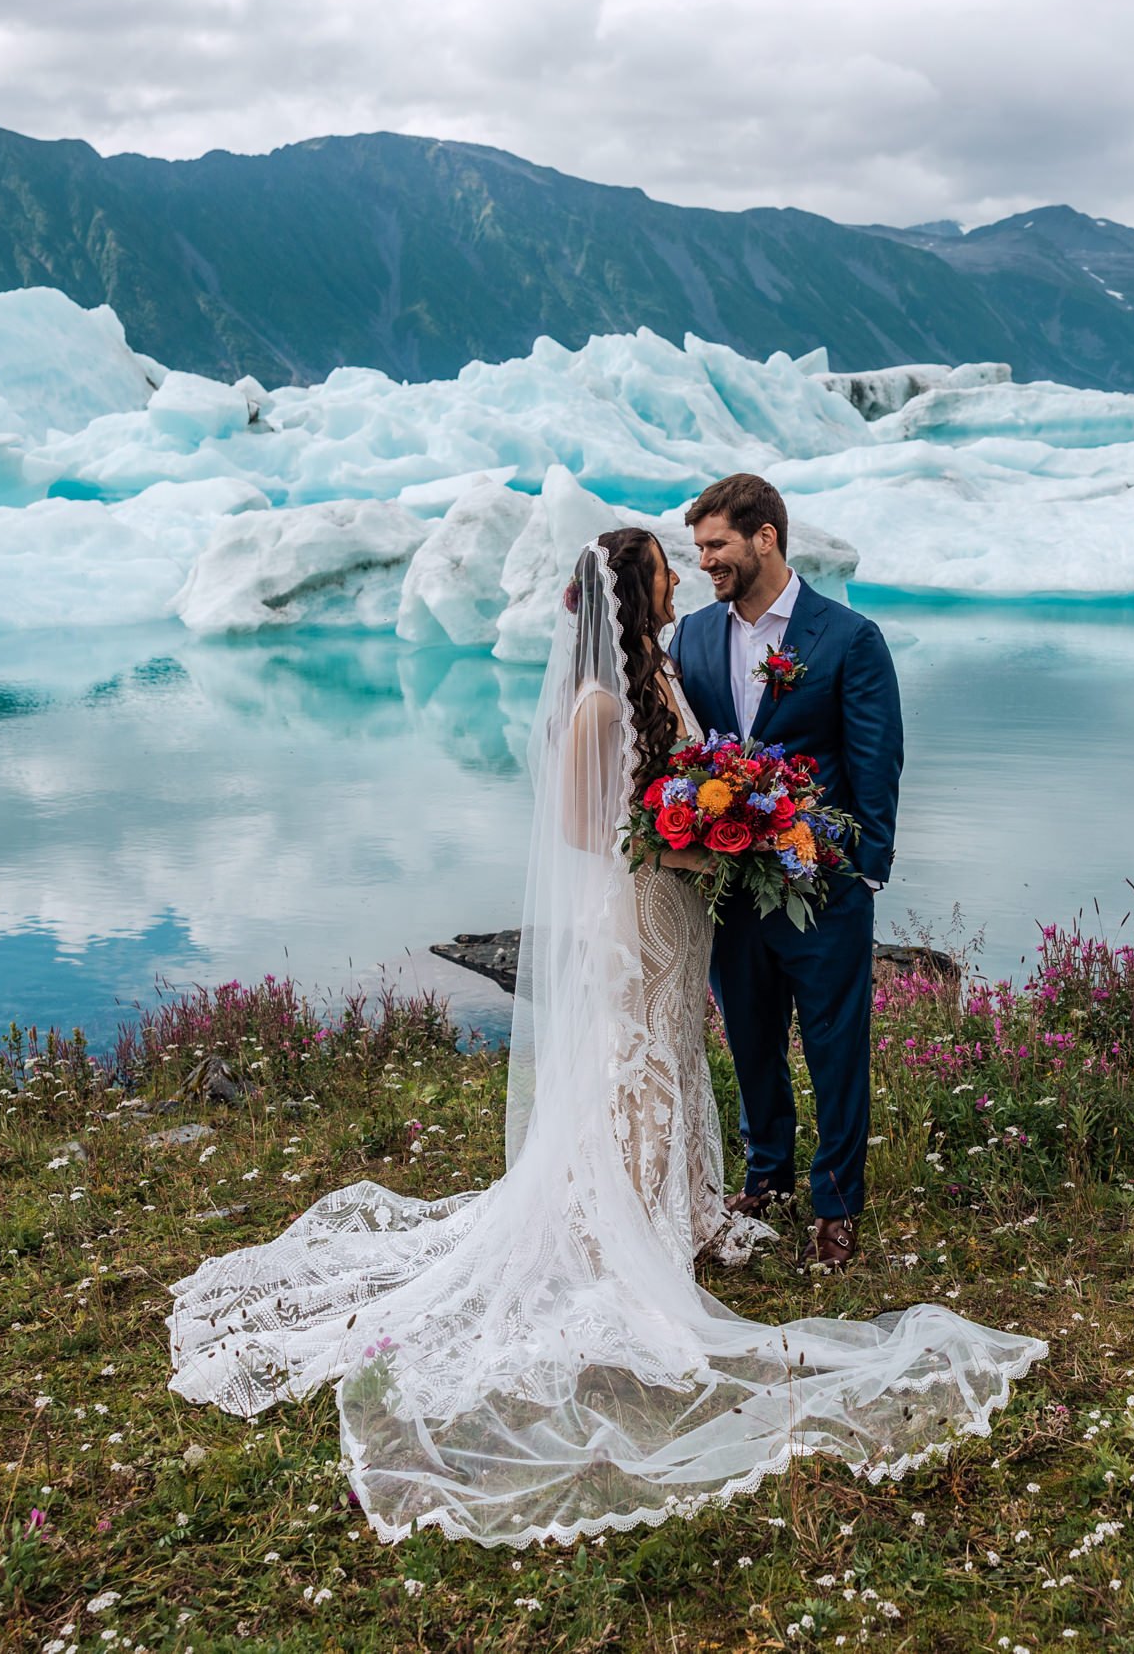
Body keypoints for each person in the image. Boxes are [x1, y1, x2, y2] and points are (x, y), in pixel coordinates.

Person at [165, 527, 1043, 1549]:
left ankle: (675, 1200)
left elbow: (708, 768)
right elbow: (583, 828)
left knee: (669, 1048)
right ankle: (623, 1220)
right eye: (668, 566)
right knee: (632, 1055)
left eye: (692, 556)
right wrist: (674, 830)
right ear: (634, 589)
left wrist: (719, 819)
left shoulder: (665, 666)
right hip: (635, 906)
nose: (683, 573)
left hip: (679, 901)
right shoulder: (592, 701)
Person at [674, 473, 899, 1267]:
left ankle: (837, 1205)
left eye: (717, 545)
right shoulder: (694, 636)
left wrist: (862, 873)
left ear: (764, 537)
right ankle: (764, 1172)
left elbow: (876, 762)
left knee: (836, 1043)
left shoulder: (847, 638)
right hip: (729, 888)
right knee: (749, 1036)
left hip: (821, 889)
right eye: (699, 548)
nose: (705, 562)